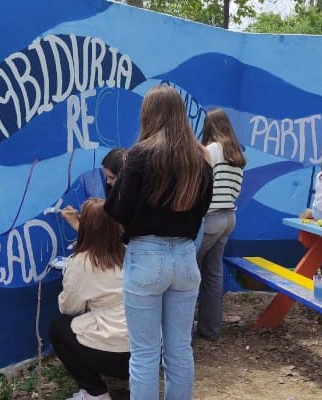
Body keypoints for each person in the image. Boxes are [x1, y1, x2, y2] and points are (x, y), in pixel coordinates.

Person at [105, 84, 213, 400]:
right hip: (184, 257)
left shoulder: (138, 154)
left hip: (146, 257)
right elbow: (202, 210)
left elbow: (117, 209)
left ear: (148, 114)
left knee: (144, 354)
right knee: (179, 349)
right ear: (181, 115)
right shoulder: (200, 158)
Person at [50, 199, 129, 400]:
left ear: (84, 227)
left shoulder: (80, 263)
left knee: (59, 328)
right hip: (148, 351)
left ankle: (95, 393)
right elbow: (102, 238)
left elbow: (69, 308)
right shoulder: (129, 252)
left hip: (114, 355)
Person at [194, 108, 246, 341]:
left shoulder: (210, 151)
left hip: (210, 218)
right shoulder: (237, 154)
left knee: (190, 275)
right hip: (228, 219)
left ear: (209, 127)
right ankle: (211, 329)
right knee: (213, 275)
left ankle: (184, 331)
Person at [63, 149, 126, 231]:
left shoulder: (127, 205)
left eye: (112, 177)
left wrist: (75, 223)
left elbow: (106, 239)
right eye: (106, 177)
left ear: (125, 176)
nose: (107, 181)